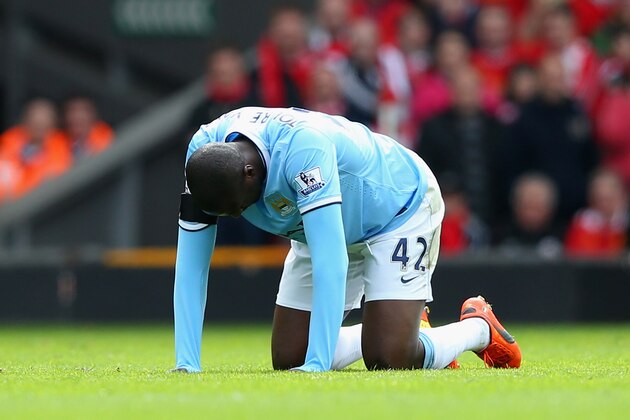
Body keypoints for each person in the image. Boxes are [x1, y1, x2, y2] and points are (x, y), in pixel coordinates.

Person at [173, 106, 521, 373]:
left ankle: (478, 328)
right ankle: (400, 323)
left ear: (250, 174)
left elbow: (332, 259)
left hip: (397, 209)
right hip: (319, 223)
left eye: (237, 207)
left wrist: (318, 364)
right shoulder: (204, 153)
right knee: (288, 357)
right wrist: (187, 362)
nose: (236, 215)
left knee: (389, 357)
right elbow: (191, 266)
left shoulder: (302, 151)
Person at [0, 98, 71, 203]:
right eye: (35, 121)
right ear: (25, 121)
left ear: (53, 125)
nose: (39, 125)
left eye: (44, 122)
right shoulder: (7, 145)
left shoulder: (63, 149)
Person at [499, 172, 563, 258]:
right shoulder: (499, 236)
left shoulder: (564, 238)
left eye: (537, 208)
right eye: (527, 206)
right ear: (516, 206)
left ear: (550, 209)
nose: (531, 215)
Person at [565, 169, 628, 257]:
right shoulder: (582, 224)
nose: (604, 205)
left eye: (609, 199)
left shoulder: (626, 226)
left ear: (622, 197)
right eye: (600, 199)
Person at [62, 95, 114, 160]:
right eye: (72, 110)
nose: (77, 116)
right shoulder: (58, 144)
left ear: (93, 114)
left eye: (83, 110)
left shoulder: (109, 138)